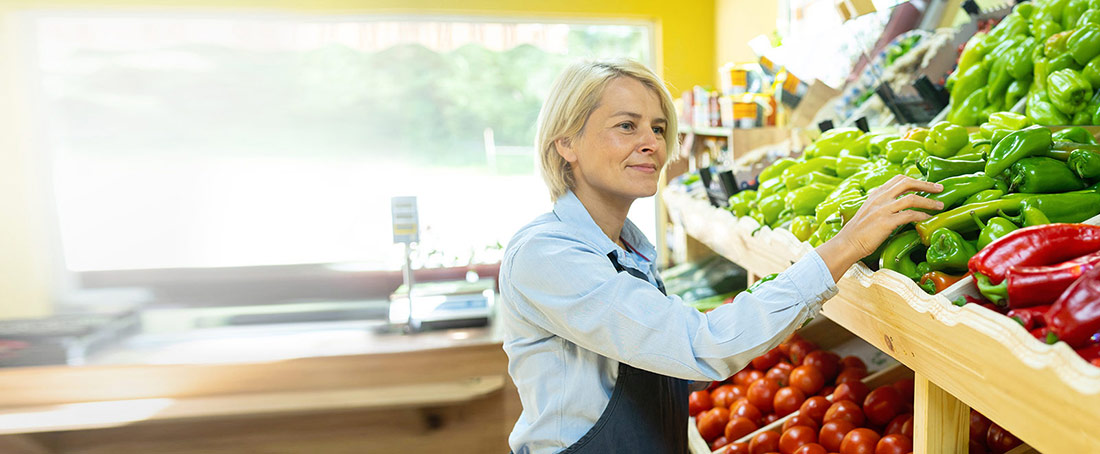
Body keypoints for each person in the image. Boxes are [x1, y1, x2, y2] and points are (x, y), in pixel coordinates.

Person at [498, 59, 943, 454]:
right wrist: (846, 246)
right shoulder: (546, 254)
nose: (652, 142)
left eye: (657, 127)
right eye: (627, 126)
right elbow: (697, 348)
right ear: (566, 144)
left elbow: (671, 368)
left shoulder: (626, 247)